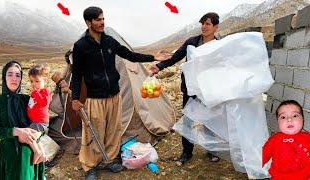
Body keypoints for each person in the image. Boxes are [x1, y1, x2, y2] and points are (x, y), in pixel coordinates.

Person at [70, 6, 171, 180]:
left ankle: (109, 160)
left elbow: (130, 55)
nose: (102, 22)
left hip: (114, 95)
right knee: (94, 131)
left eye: (103, 19)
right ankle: (90, 166)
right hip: (95, 98)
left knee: (112, 130)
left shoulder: (109, 41)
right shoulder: (80, 46)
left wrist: (153, 58)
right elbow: (77, 74)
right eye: (98, 20)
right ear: (88, 22)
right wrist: (75, 98)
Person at [149, 12, 220, 165]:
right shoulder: (192, 42)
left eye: (208, 24)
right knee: (188, 120)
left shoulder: (218, 45)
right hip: (191, 89)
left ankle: (212, 150)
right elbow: (175, 57)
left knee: (209, 120)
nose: (204, 26)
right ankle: (186, 152)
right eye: (203, 23)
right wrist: (159, 66)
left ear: (215, 27)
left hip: (209, 90)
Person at [0, 61, 45, 180]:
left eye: (17, 75)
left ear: (21, 78)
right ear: (4, 77)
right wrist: (16, 132)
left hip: (29, 155)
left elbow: (42, 121)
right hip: (9, 155)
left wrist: (38, 134)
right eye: (10, 74)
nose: (14, 78)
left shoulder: (28, 99)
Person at [262, 100, 310, 179]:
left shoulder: (308, 138)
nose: (289, 119)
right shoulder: (274, 140)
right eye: (283, 117)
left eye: (295, 116)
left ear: (302, 119)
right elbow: (261, 157)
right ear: (278, 122)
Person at [27, 64, 51, 164]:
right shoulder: (35, 92)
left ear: (45, 81)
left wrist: (36, 93)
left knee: (30, 137)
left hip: (40, 122)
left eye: (37, 81)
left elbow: (45, 103)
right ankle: (43, 155)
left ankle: (37, 152)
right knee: (36, 139)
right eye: (32, 81)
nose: (34, 84)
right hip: (35, 121)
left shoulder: (45, 92)